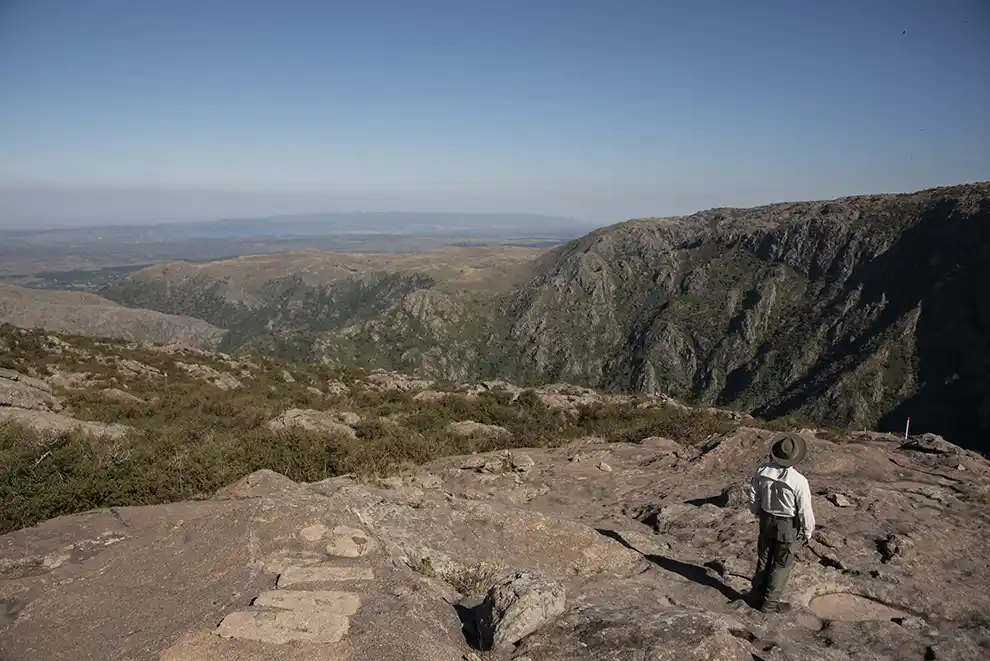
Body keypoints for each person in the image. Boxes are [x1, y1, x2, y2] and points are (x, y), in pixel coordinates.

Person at [745, 432, 815, 613]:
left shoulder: (762, 472)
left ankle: (756, 595)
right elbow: (805, 510)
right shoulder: (799, 481)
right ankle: (769, 604)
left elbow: (753, 496)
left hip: (766, 519)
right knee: (781, 564)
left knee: (764, 558)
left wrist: (757, 512)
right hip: (787, 525)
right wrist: (808, 531)